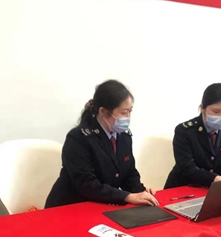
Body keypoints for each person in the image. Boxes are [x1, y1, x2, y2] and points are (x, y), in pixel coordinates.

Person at [45, 80, 158, 208]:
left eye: (130, 112)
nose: (127, 117)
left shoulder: (124, 136)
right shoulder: (78, 138)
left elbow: (129, 173)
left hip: (102, 205)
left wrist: (141, 192)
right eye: (123, 113)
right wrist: (127, 197)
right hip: (71, 206)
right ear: (103, 112)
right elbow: (87, 185)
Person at [164, 83, 221, 189]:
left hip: (210, 189)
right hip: (182, 188)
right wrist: (213, 179)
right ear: (202, 108)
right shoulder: (185, 131)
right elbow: (187, 167)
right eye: (216, 111)